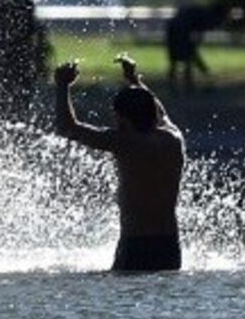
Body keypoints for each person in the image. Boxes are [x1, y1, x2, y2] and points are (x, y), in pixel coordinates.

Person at [54, 54, 186, 272]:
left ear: (122, 118)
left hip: (135, 245)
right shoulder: (173, 139)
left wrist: (62, 86)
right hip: (169, 245)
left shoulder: (123, 142)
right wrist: (134, 79)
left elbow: (67, 128)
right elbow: (158, 111)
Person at [165, 3, 226, 91]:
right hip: (181, 27)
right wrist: (204, 69)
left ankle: (175, 81)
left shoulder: (201, 14)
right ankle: (186, 80)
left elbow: (195, 45)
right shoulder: (206, 17)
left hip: (175, 26)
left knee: (177, 56)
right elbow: (194, 48)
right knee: (186, 56)